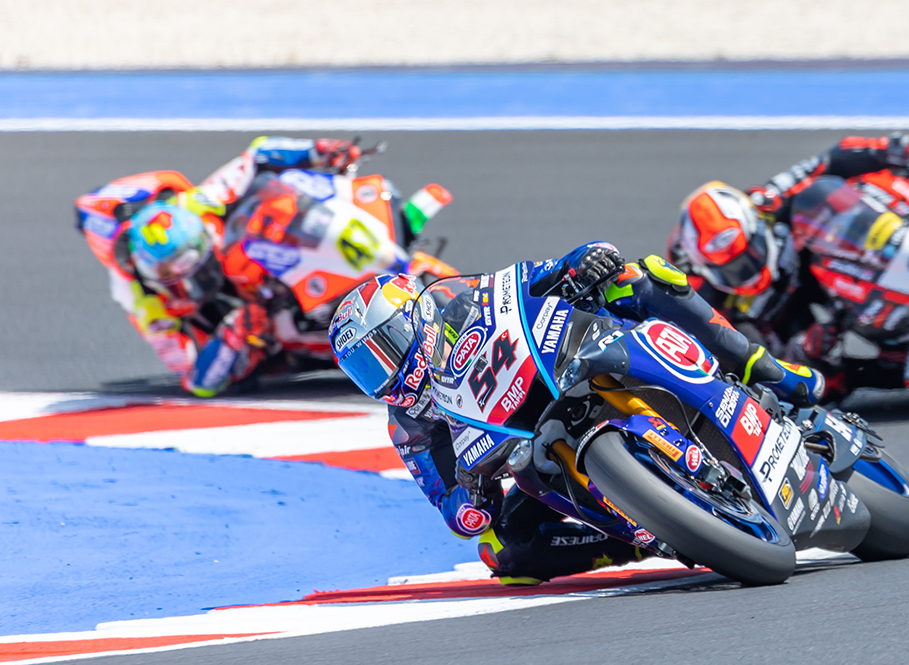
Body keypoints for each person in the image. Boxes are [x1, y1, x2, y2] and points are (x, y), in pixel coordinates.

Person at [329, 242, 824, 585]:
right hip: (532, 446)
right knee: (502, 550)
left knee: (640, 277)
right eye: (365, 370)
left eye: (383, 351)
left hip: (575, 355)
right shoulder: (408, 424)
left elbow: (529, 278)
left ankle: (766, 369)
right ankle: (655, 530)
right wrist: (469, 498)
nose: (383, 374)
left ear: (413, 319)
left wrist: (580, 263)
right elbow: (450, 505)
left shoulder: (460, 301)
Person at [76, 137, 368, 396]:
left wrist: (317, 150)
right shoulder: (146, 306)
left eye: (198, 264)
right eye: (180, 274)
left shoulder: (198, 203)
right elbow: (196, 380)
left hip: (258, 258)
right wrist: (231, 337)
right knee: (263, 351)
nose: (200, 277)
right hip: (243, 323)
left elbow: (256, 155)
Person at [666, 133, 909, 395]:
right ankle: (895, 366)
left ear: (756, 224)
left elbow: (828, 161)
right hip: (792, 322)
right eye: (731, 270)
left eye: (750, 255)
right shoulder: (713, 305)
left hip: (828, 271)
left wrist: (896, 149)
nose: (746, 272)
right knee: (821, 386)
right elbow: (750, 366)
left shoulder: (766, 202)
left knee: (843, 203)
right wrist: (801, 348)